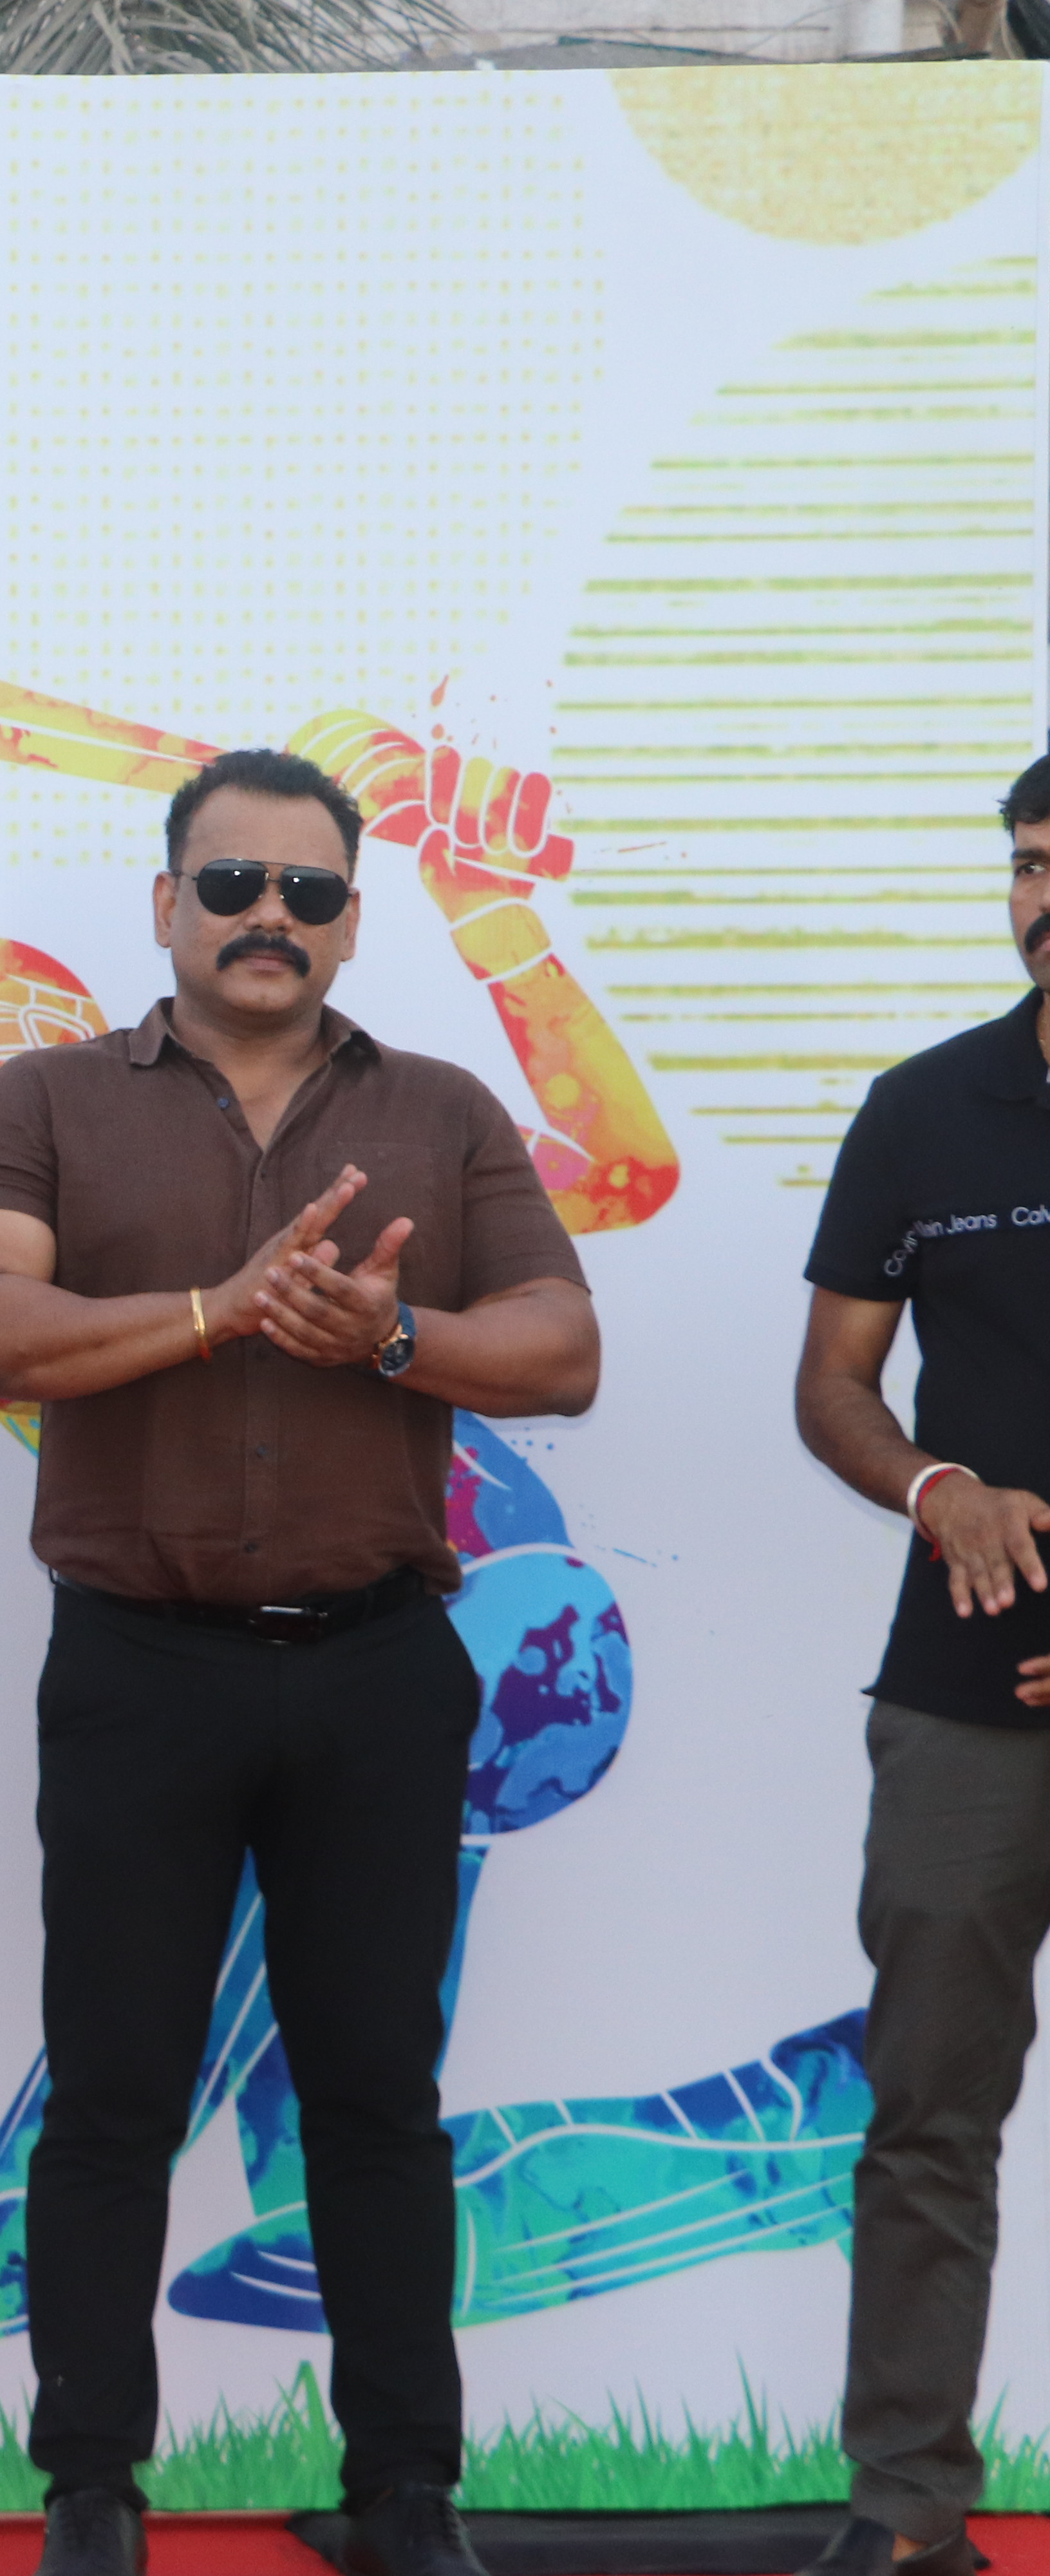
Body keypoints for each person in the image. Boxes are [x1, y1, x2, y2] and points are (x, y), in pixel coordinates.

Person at [0, 746, 601, 2576]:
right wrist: (221, 1311)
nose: (269, 919)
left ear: (353, 923)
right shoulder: (49, 1099)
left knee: (375, 2096)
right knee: (112, 2093)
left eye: (309, 892)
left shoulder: (443, 1110)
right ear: (167, 906)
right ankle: (91, 2496)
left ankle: (407, 2496)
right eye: (232, 886)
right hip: (139, 1671)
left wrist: (391, 1341)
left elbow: (562, 1346)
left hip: (381, 1669)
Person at [787, 755, 1050, 2576]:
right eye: (1028, 865)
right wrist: (935, 1488)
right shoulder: (925, 1110)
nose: (1046, 899)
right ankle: (906, 2515)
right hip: (965, 1702)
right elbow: (834, 1385)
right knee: (930, 2121)